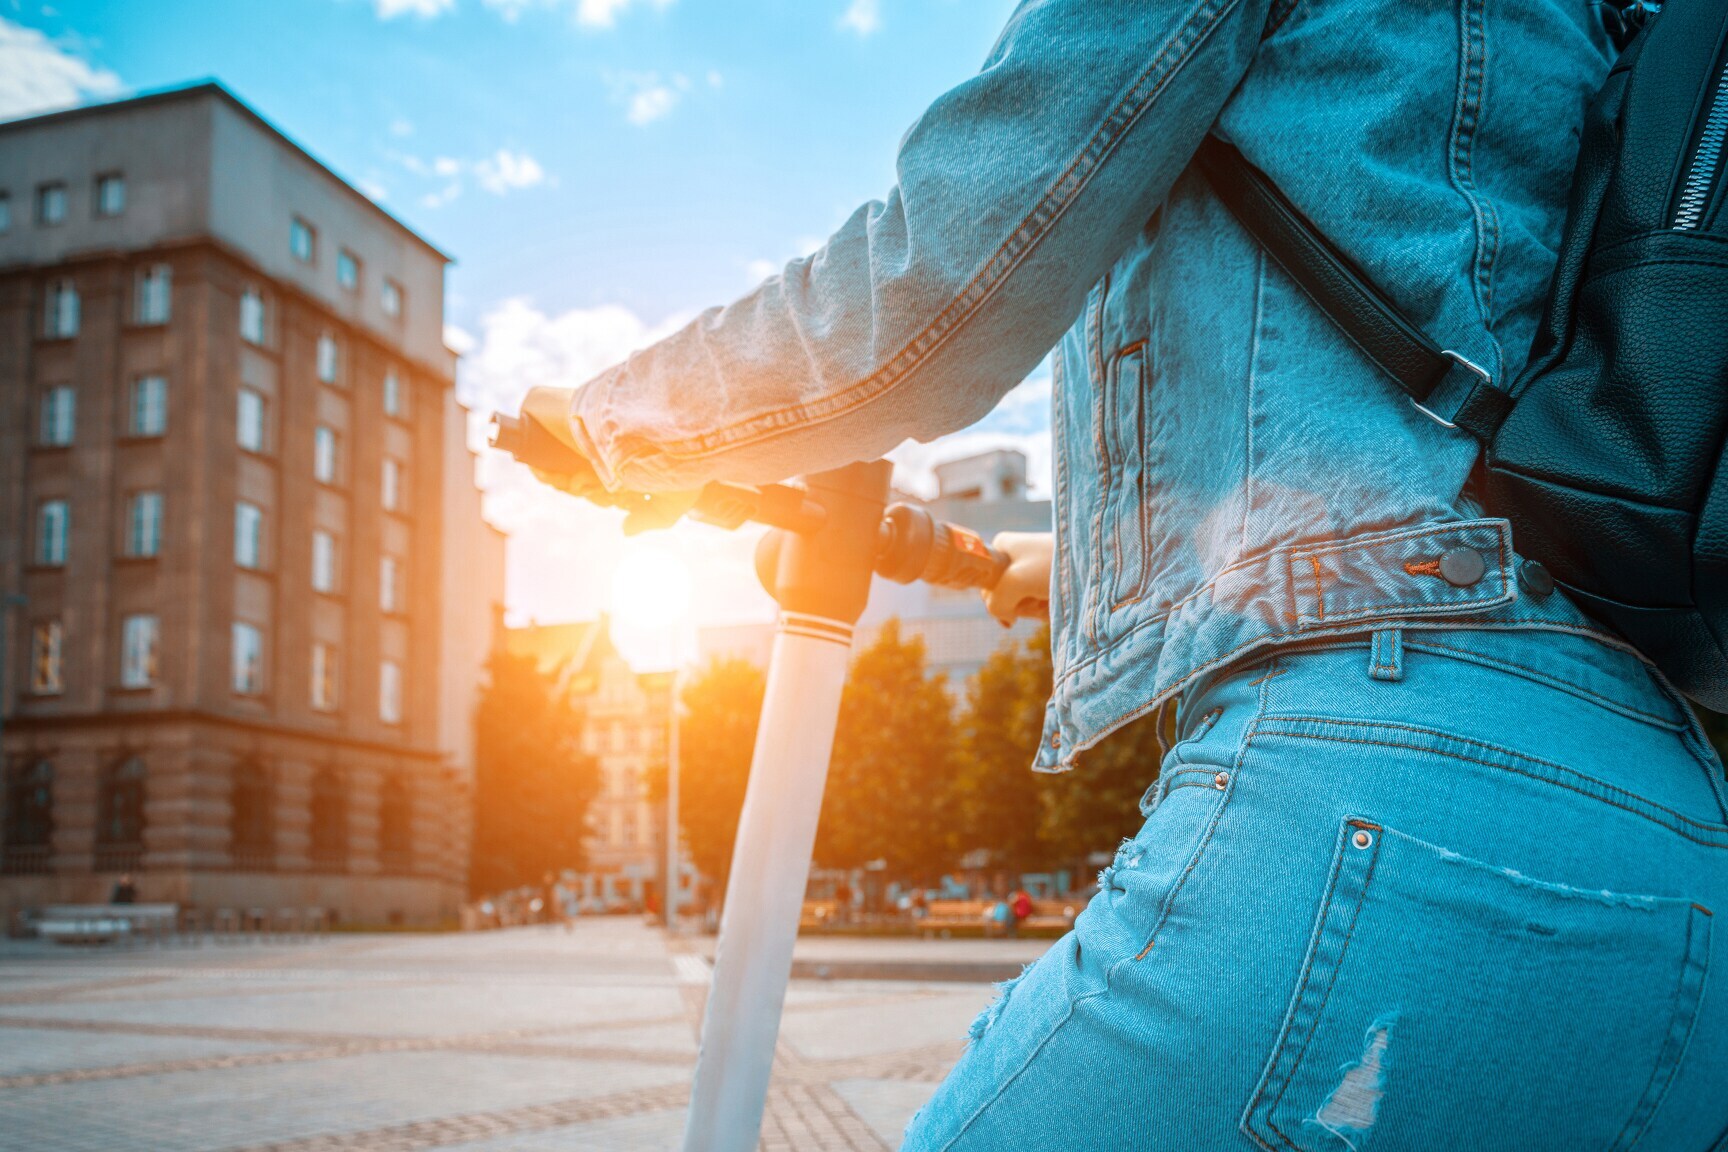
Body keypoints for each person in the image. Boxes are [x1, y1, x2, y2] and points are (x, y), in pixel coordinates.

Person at [528, 1, 1728, 1145]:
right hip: (1680, 855)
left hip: (1383, 788)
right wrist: (1057, 569)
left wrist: (618, 420)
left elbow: (931, 288)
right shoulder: (1593, 17)